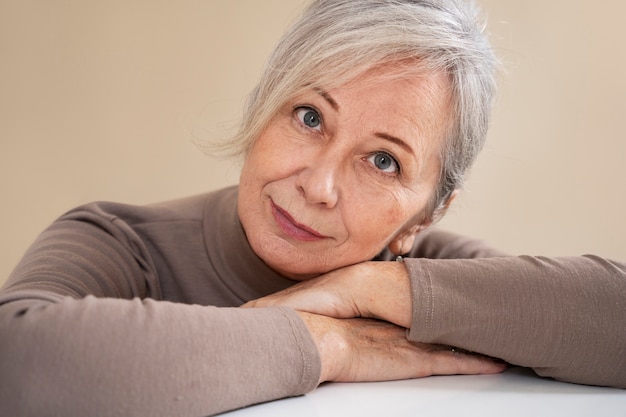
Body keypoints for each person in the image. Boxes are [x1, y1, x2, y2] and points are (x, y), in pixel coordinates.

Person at [1, 0, 624, 416]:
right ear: (262, 109)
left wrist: (366, 288)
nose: (319, 185)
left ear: (424, 219)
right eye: (309, 117)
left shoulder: (425, 279)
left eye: (383, 161)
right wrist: (329, 344)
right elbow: (17, 359)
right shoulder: (118, 243)